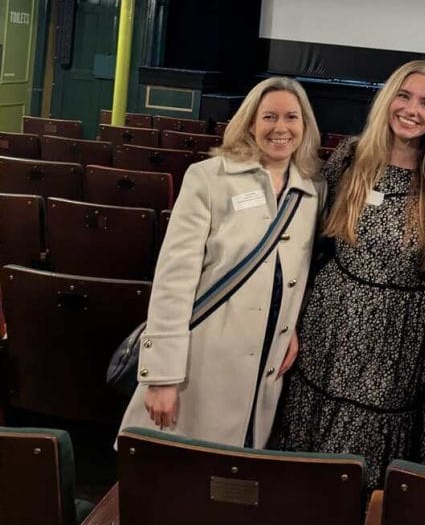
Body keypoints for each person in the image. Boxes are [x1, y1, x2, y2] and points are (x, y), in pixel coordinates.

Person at [272, 59, 425, 491]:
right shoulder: (352, 156)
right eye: (404, 95)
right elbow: (309, 243)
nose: (412, 110)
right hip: (331, 320)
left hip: (397, 337)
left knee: (364, 460)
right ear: (388, 99)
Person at [118, 76, 325, 449]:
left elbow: (297, 273)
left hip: (265, 356)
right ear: (250, 123)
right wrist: (161, 375)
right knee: (177, 474)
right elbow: (173, 278)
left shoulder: (312, 189)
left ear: (305, 126)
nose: (281, 128)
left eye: (292, 117)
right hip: (201, 358)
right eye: (269, 117)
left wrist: (289, 323)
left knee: (232, 478)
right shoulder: (209, 178)